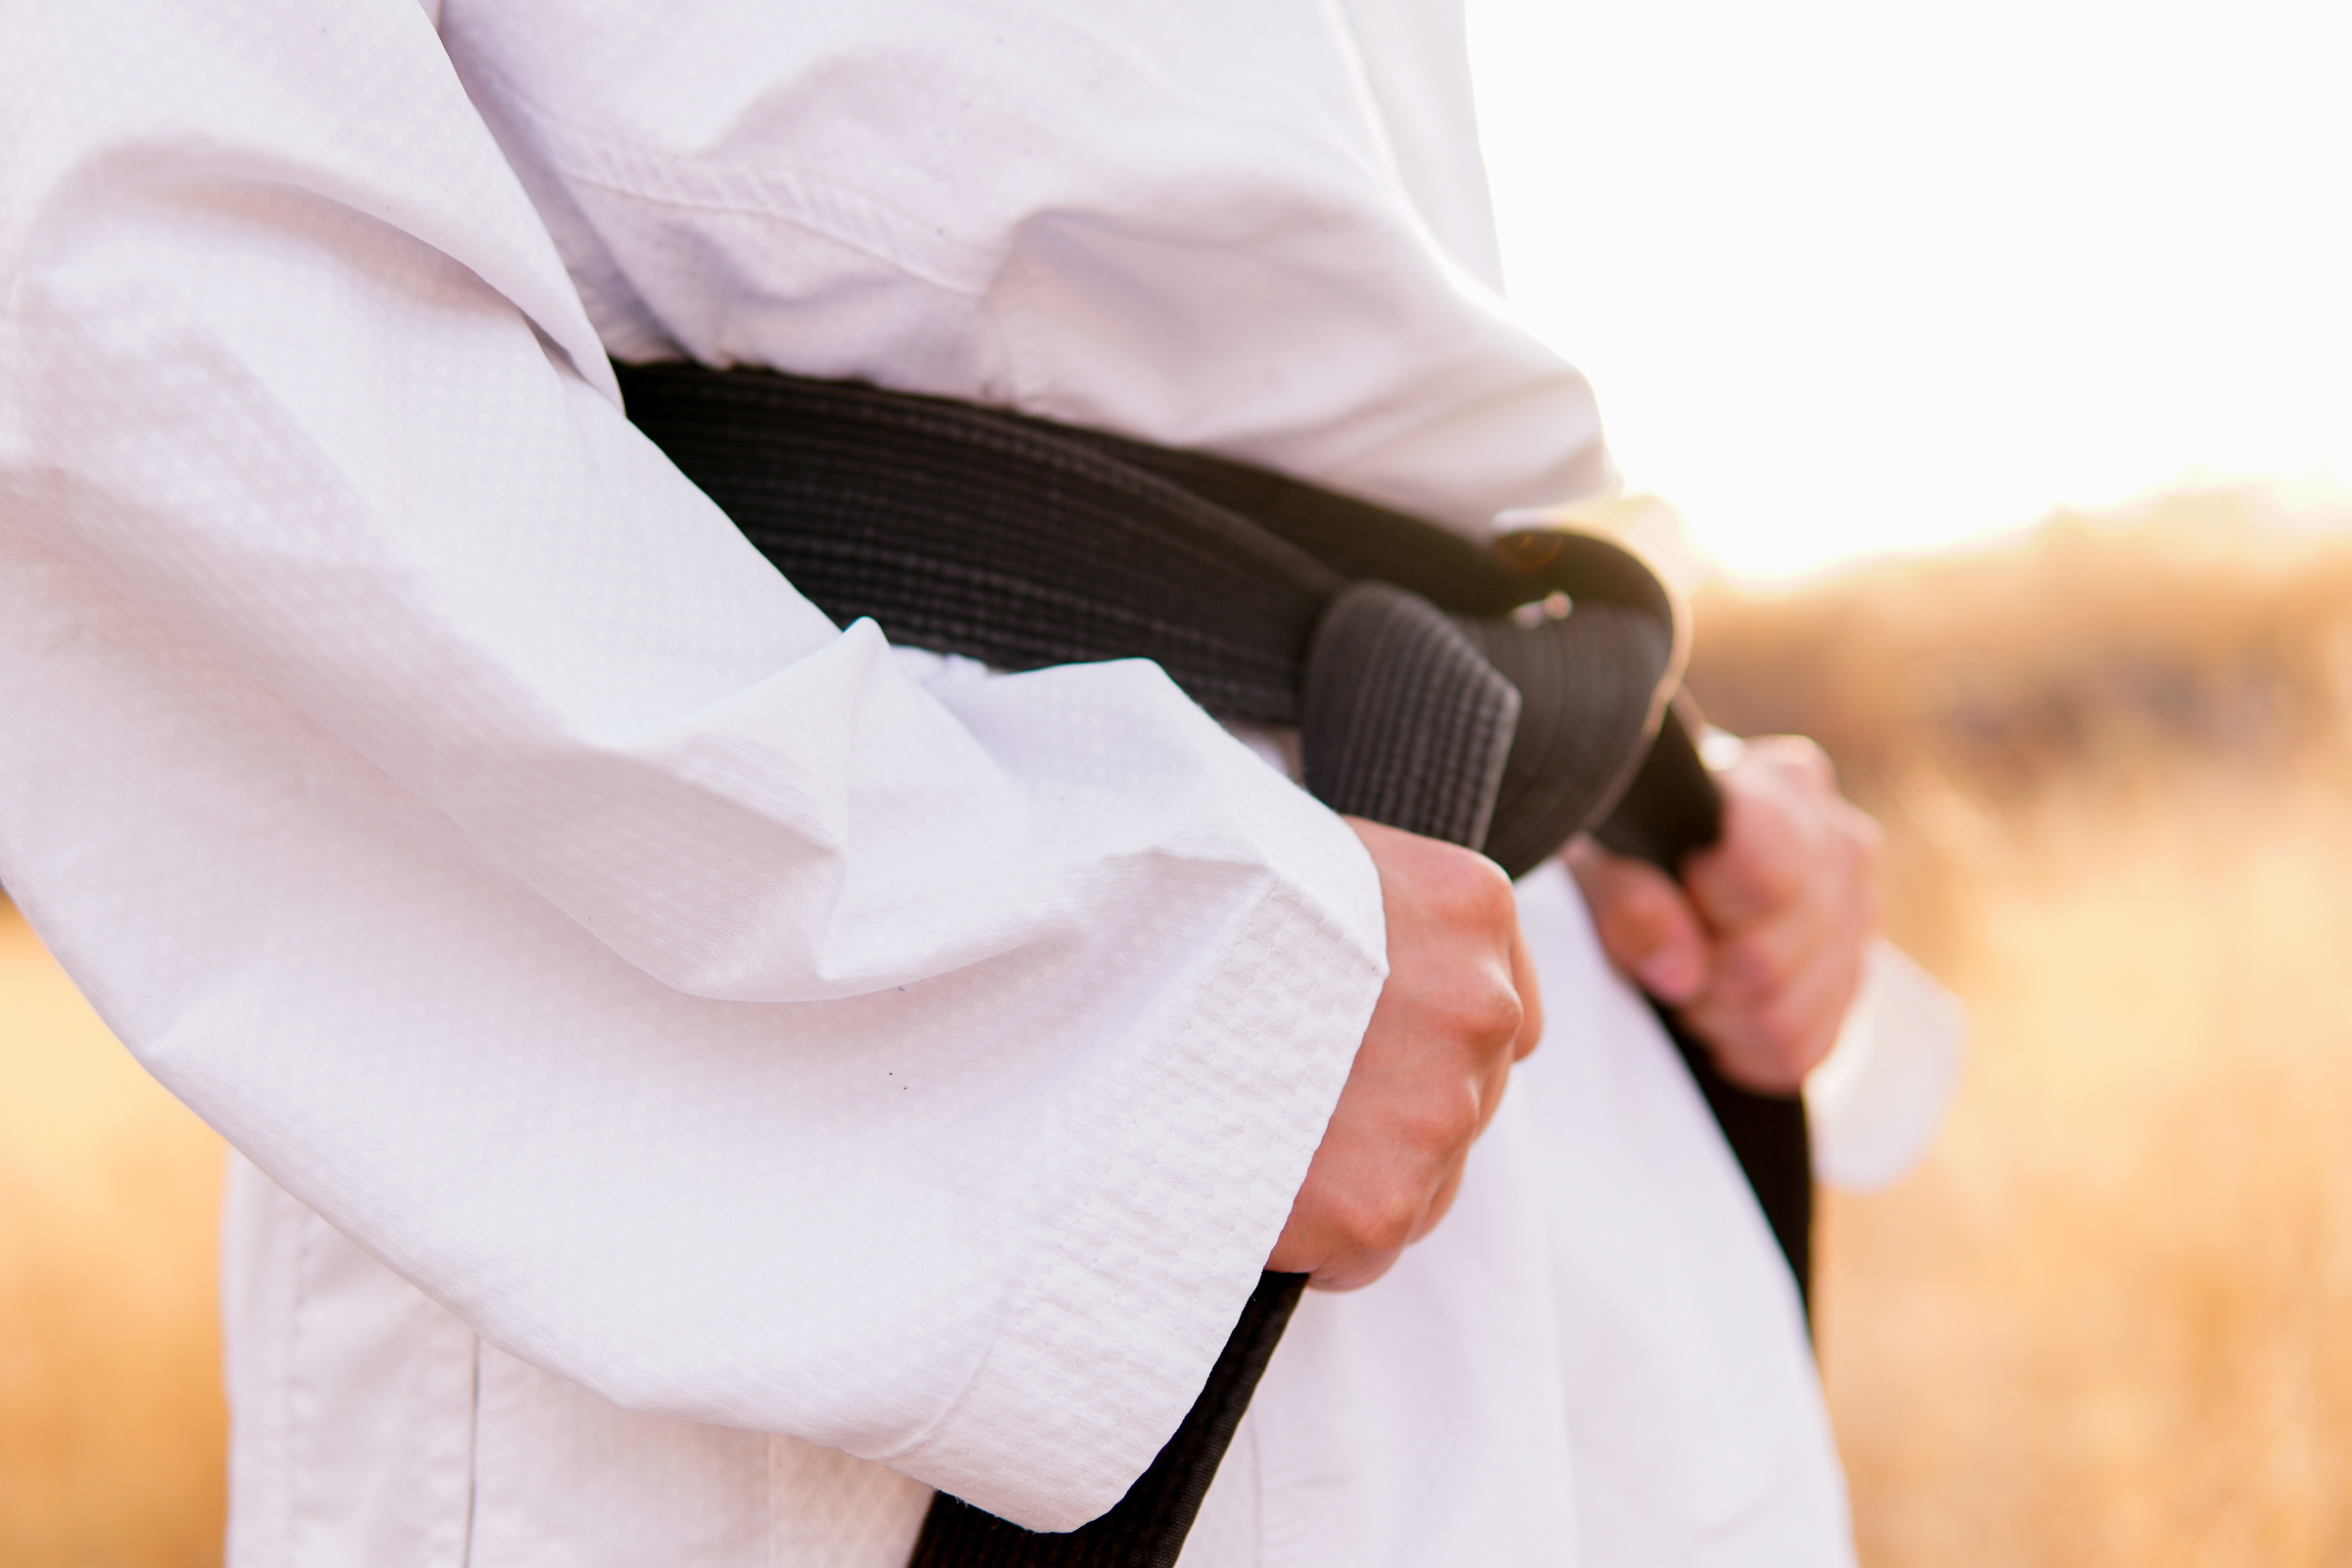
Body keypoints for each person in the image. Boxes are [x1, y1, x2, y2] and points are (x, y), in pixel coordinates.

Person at [0, 0, 1883, 1563]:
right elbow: (120, 295)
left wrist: (1654, 796)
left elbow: (1300, 328)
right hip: (898, 1129)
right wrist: (1094, 1006)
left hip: (1512, 1106)